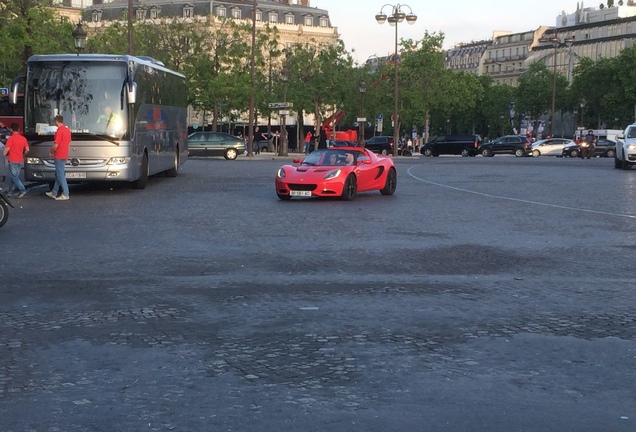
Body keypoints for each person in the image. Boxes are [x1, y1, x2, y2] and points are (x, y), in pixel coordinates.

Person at [46, 115, 71, 201]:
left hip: (59, 155)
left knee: (60, 175)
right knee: (59, 174)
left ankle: (65, 193)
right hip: (64, 155)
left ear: (56, 121)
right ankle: (54, 192)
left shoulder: (59, 131)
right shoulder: (67, 131)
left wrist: (50, 151)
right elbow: (68, 144)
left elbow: (56, 145)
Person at [3, 123, 29, 198]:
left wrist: (2, 156)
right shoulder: (23, 138)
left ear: (11, 129)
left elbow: (7, 149)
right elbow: (27, 149)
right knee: (15, 177)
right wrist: (23, 155)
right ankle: (10, 192)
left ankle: (23, 190)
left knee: (14, 177)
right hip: (20, 160)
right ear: (18, 129)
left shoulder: (11, 139)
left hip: (12, 160)